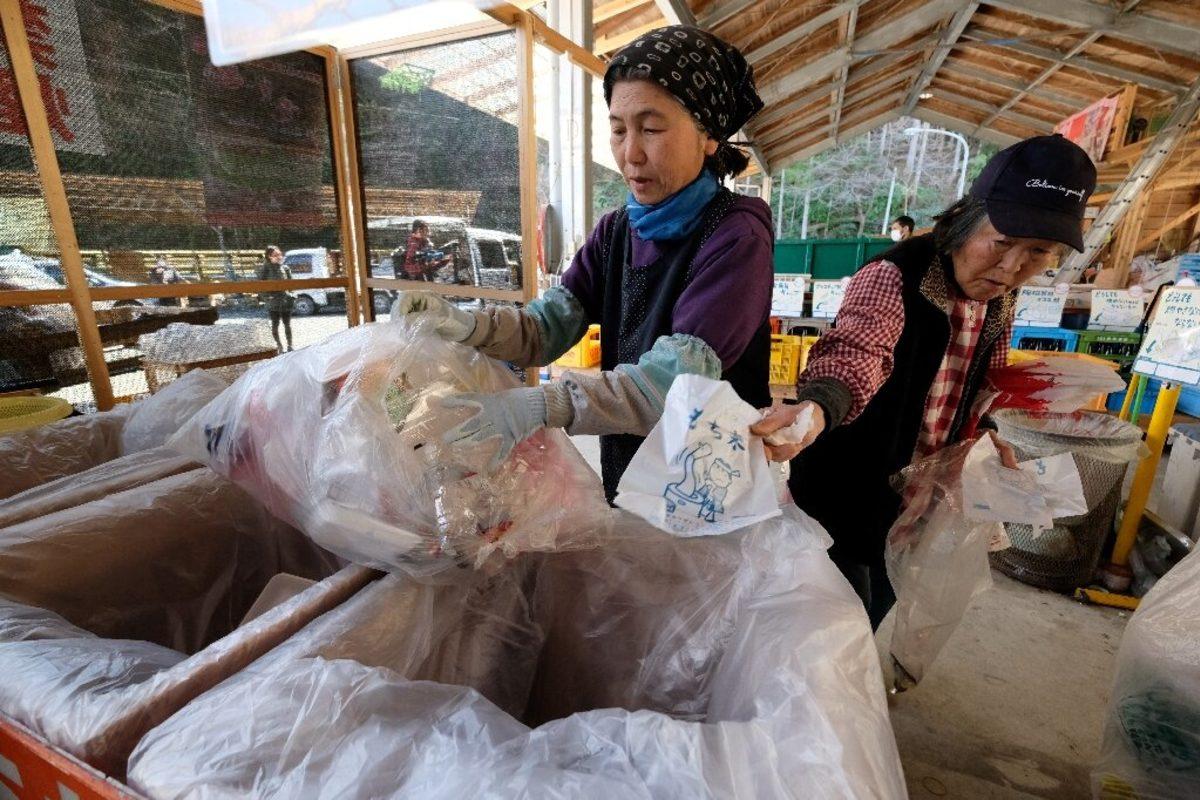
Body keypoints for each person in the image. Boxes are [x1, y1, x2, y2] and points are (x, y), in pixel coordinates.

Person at [395, 25, 773, 501]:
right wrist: (466, 325)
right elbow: (544, 329)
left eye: (652, 129)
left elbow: (670, 385)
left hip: (708, 483)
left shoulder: (736, 234)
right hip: (631, 472)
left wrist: (538, 405)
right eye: (618, 130)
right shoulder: (616, 231)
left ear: (710, 136)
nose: (630, 153)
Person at [753, 134, 1096, 628]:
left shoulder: (999, 298)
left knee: (880, 604)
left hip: (921, 496)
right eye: (1001, 243)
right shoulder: (896, 275)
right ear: (965, 221)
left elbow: (985, 380)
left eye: (1037, 253)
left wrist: (988, 431)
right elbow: (858, 349)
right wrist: (819, 405)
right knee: (831, 621)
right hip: (851, 488)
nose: (1011, 267)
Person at [257, 245, 294, 353]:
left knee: (287, 324)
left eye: (280, 254)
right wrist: (267, 297)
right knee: (275, 325)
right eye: (275, 255)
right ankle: (279, 346)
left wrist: (292, 295)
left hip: (286, 301)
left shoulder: (285, 268)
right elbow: (259, 286)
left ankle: (290, 345)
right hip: (273, 303)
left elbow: (291, 284)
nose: (279, 257)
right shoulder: (265, 269)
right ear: (269, 256)